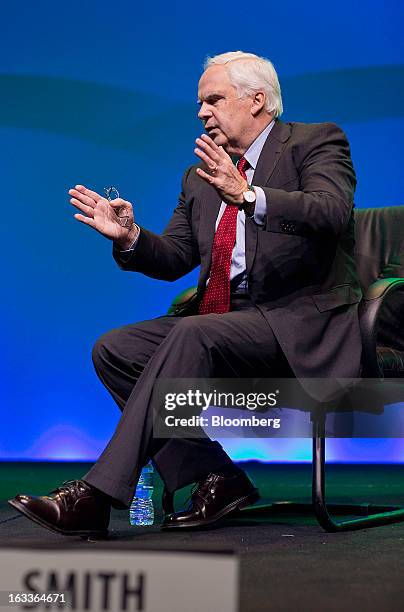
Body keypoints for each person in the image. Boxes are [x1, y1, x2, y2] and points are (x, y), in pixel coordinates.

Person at [9, 51, 362, 537]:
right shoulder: (199, 177)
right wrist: (129, 236)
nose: (201, 112)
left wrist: (251, 196)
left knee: (191, 335)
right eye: (200, 103)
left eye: (213, 100)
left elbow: (332, 211)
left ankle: (98, 496)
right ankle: (217, 476)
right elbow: (176, 256)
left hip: (297, 323)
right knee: (116, 349)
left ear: (257, 100)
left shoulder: (314, 142)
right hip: (227, 323)